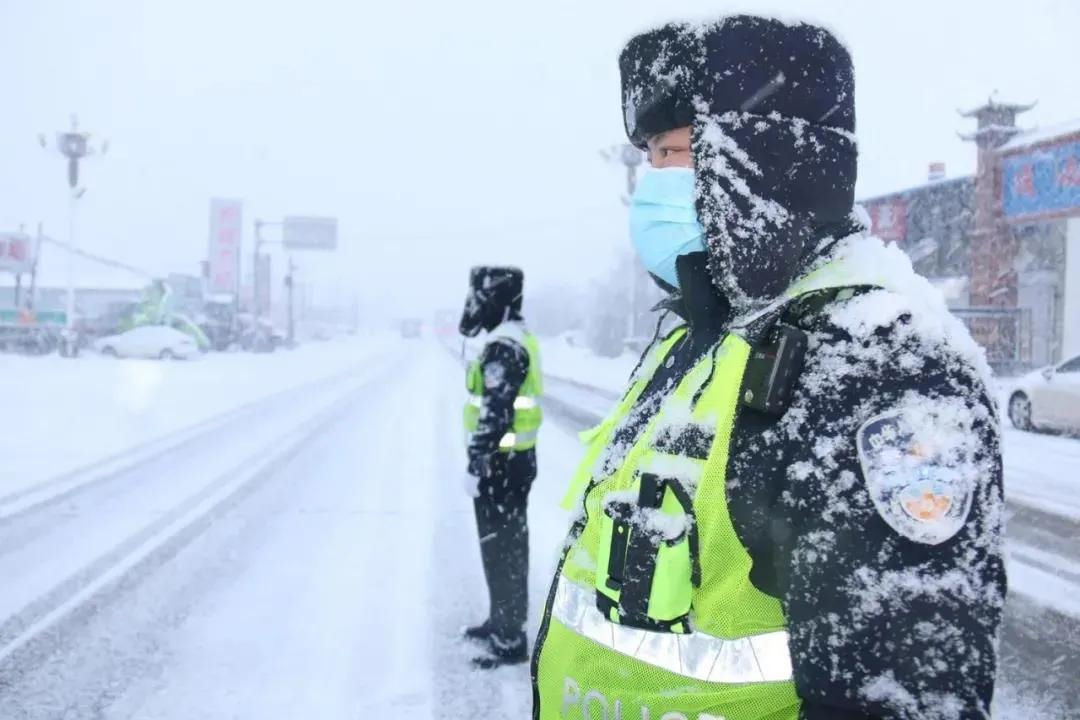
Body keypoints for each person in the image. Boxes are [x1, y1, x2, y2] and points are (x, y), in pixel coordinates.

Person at [531, 16, 1005, 720]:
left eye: (677, 153)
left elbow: (897, 699)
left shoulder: (877, 364)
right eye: (650, 156)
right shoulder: (696, 342)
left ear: (765, 160)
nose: (652, 184)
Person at [459, 265, 544, 669]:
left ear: (496, 300)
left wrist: (477, 462)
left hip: (500, 466)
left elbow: (495, 414)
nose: (473, 307)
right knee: (502, 546)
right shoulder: (509, 339)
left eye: (479, 299)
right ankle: (501, 621)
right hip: (511, 464)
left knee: (504, 549)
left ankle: (509, 638)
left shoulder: (504, 347)